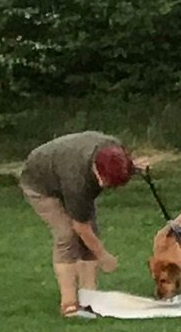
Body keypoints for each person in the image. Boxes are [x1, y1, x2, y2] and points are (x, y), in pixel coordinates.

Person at [18, 131, 136, 318]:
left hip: (64, 169)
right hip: (40, 184)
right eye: (107, 183)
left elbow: (123, 166)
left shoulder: (115, 150)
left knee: (91, 233)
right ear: (96, 170)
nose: (109, 188)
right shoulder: (77, 179)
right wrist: (103, 256)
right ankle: (69, 303)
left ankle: (89, 297)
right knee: (67, 234)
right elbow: (81, 227)